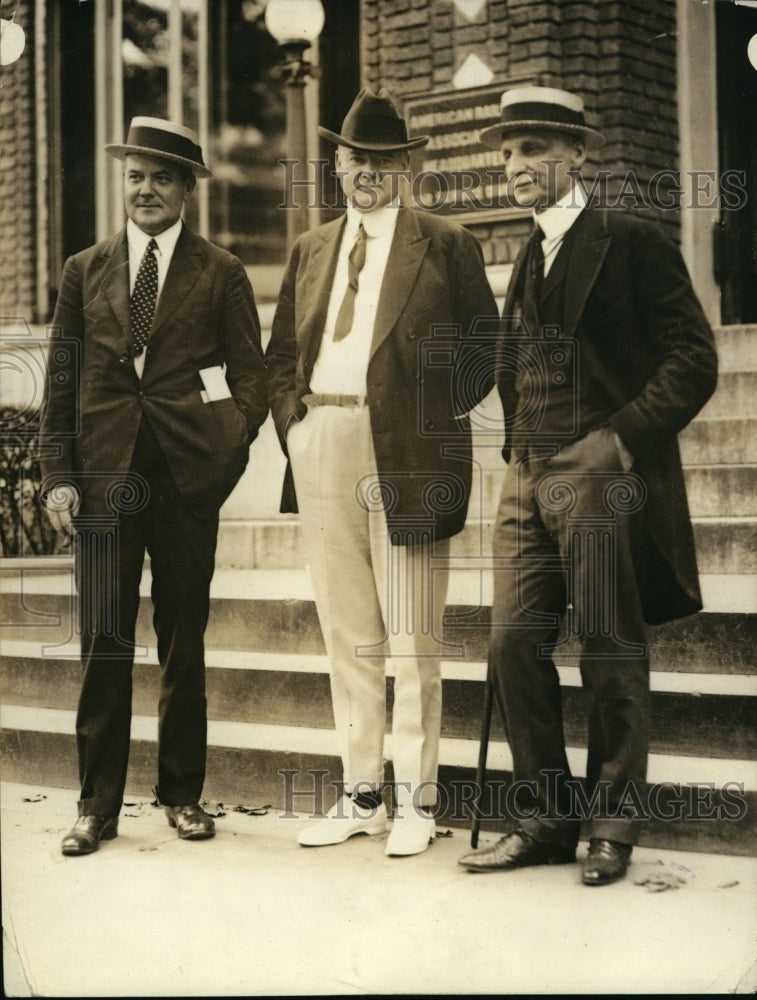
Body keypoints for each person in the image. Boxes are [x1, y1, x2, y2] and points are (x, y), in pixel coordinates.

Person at [457, 86, 718, 884]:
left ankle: (611, 825)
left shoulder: (631, 242)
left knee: (609, 649)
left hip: (598, 474)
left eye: (532, 149)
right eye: (505, 152)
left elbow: (693, 359)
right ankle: (543, 816)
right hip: (526, 475)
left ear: (575, 155)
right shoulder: (527, 255)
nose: (514, 166)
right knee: (509, 643)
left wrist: (618, 441)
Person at [266, 87, 498, 856]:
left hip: (406, 447)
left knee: (411, 635)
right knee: (348, 631)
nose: (368, 170)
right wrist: (296, 426)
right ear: (336, 165)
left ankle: (416, 801)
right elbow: (278, 359)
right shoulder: (309, 249)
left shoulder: (446, 243)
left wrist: (422, 416)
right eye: (355, 157)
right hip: (323, 435)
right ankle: (362, 792)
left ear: (407, 166)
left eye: (383, 158)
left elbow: (482, 353)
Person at [40, 117, 268, 856]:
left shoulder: (221, 271)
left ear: (186, 189)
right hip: (103, 483)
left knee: (183, 640)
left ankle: (183, 795)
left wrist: (218, 465)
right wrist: (57, 478)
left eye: (162, 177)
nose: (146, 189)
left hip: (182, 484)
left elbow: (250, 382)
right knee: (104, 641)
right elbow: (63, 380)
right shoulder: (85, 268)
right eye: (136, 175)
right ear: (124, 181)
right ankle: (95, 806)